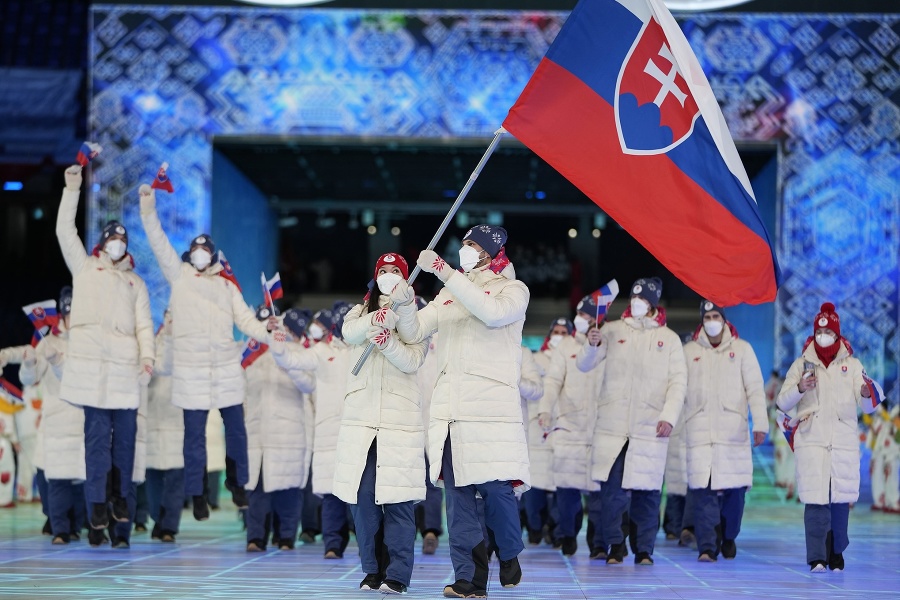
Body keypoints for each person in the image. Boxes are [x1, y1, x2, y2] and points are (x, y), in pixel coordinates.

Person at [393, 225, 529, 597]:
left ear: (488, 252)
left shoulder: (513, 290)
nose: (464, 250)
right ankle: (469, 579)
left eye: (471, 246)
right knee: (458, 502)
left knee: (497, 489)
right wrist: (405, 304)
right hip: (451, 411)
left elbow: (490, 313)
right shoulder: (450, 292)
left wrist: (445, 272)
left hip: (490, 409)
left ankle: (510, 552)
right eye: (464, 245)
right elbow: (417, 329)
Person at [139, 183, 274, 519]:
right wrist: (147, 208)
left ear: (213, 255)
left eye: (205, 249)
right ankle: (197, 494)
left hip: (226, 368)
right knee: (195, 439)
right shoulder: (179, 276)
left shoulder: (227, 286)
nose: (199, 254)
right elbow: (158, 242)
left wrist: (271, 335)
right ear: (190, 254)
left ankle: (238, 483)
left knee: (237, 431)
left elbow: (246, 320)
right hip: (191, 370)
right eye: (195, 249)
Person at [56, 165, 155, 548]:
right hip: (92, 373)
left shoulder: (135, 281)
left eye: (122, 239)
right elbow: (66, 231)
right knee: (96, 444)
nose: (117, 243)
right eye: (112, 237)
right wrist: (73, 187)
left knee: (126, 447)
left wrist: (147, 358)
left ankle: (121, 520)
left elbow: (145, 324)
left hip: (126, 374)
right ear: (103, 242)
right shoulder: (85, 268)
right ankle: (97, 510)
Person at [327, 252, 428, 594]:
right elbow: (349, 331)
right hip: (362, 422)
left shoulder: (415, 313)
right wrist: (376, 321)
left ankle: (397, 574)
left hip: (399, 423)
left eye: (394, 271)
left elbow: (414, 357)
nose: (387, 276)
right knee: (364, 501)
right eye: (382, 271)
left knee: (398, 502)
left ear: (405, 276)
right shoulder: (362, 311)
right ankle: (372, 569)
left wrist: (389, 341)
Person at [578, 277, 686, 565]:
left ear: (653, 304)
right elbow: (584, 364)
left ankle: (644, 549)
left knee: (647, 493)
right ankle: (615, 546)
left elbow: (678, 384)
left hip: (650, 427)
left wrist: (669, 417)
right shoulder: (611, 330)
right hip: (613, 427)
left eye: (644, 300)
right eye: (635, 298)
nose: (637, 303)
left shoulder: (670, 339)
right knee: (612, 492)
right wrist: (591, 344)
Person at [776, 302, 880, 572]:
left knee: (839, 502)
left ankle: (836, 552)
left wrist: (867, 395)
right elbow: (782, 402)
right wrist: (799, 388)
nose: (824, 338)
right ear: (814, 334)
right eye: (820, 333)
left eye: (829, 333)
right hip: (813, 441)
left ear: (837, 334)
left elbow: (866, 399)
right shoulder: (801, 364)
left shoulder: (853, 364)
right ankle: (816, 557)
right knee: (816, 500)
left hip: (842, 442)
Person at [683, 300, 768, 562]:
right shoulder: (689, 351)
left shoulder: (742, 350)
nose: (711, 320)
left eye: (715, 315)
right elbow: (677, 389)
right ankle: (707, 546)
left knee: (735, 495)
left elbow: (754, 387)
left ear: (724, 318)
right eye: (707, 316)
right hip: (700, 433)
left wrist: (761, 423)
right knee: (703, 492)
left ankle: (728, 535)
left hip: (733, 434)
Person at [267, 302, 354, 558]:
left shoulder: (365, 351)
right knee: (330, 495)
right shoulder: (320, 351)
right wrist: (278, 336)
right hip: (328, 432)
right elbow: (288, 358)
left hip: (359, 430)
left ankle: (369, 549)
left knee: (363, 496)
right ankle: (332, 545)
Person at [18, 287, 87, 544]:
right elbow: (30, 379)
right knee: (53, 479)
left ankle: (76, 526)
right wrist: (28, 364)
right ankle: (59, 527)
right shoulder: (48, 341)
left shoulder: (88, 344)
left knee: (79, 481)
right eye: (69, 314)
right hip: (54, 421)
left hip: (82, 420)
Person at [244, 306, 315, 552]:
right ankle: (256, 537)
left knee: (289, 489)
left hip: (289, 433)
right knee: (257, 490)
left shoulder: (298, 355)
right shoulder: (254, 357)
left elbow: (309, 386)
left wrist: (289, 365)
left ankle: (286, 537)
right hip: (258, 435)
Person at [538, 299, 605, 558]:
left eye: (586, 314)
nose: (581, 317)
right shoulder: (565, 346)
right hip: (568, 425)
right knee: (567, 493)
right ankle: (568, 536)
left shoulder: (607, 344)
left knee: (598, 496)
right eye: (579, 312)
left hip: (599, 428)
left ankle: (598, 543)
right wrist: (546, 408)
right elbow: (553, 381)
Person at [523, 318, 573, 546]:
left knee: (561, 484)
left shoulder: (575, 358)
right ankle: (534, 527)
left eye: (564, 332)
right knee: (535, 485)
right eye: (556, 331)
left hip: (563, 427)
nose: (559, 335)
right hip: (538, 427)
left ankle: (556, 529)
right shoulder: (536, 359)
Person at [143, 309, 185, 543]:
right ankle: (158, 519)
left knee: (175, 479)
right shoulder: (149, 344)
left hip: (175, 420)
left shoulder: (187, 348)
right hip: (151, 419)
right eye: (167, 316)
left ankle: (169, 525)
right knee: (154, 478)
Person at [414, 296, 444, 555]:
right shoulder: (403, 341)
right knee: (408, 479)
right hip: (408, 421)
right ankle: (407, 531)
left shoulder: (441, 341)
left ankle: (431, 531)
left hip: (434, 422)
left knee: (433, 481)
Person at [766, 369, 795, 498]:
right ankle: (786, 482)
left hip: (787, 434)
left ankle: (786, 482)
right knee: (786, 459)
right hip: (788, 435)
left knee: (785, 459)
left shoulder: (792, 397)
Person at [866, 404, 900, 513]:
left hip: (892, 455)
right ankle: (887, 502)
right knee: (886, 479)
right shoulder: (888, 424)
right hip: (885, 455)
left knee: (891, 479)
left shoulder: (892, 424)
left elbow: (896, 439)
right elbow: (875, 438)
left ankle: (894, 503)